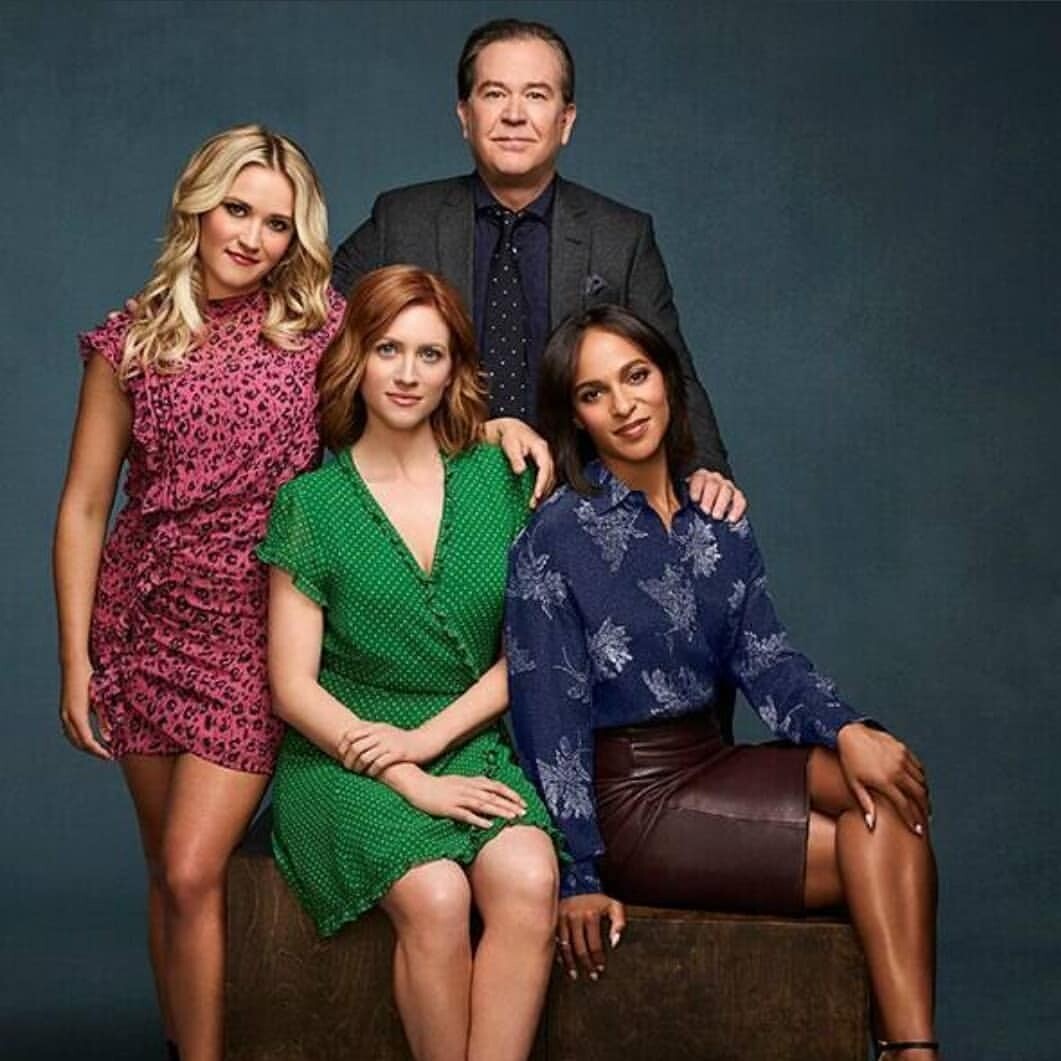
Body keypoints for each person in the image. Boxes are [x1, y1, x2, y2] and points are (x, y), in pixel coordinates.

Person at [505, 305, 939, 1061]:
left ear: (668, 380)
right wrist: (577, 871)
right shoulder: (556, 535)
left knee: (886, 790)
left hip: (711, 760)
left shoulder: (717, 517)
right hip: (632, 799)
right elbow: (549, 717)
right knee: (882, 840)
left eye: (636, 376)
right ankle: (914, 1050)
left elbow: (766, 658)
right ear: (574, 416)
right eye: (595, 393)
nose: (625, 404)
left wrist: (848, 730)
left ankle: (909, 1050)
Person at [53, 124, 344, 1061]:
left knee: (191, 868)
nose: (253, 237)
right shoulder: (131, 339)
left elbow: (412, 393)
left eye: (276, 222)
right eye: (236, 210)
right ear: (196, 207)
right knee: (165, 871)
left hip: (254, 631)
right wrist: (76, 658)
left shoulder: (320, 330)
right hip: (141, 624)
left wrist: (499, 427)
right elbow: (86, 504)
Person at [257, 265, 562, 1061]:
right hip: (343, 756)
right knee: (435, 891)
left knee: (529, 877)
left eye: (430, 354)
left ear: (455, 368)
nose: (406, 373)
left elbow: (529, 653)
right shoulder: (310, 504)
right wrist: (407, 775)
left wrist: (428, 742)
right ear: (355, 356)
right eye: (388, 349)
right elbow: (291, 688)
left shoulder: (500, 479)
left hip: (465, 734)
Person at [332, 17, 746, 523]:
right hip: (427, 506)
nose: (513, 115)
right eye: (494, 94)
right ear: (464, 115)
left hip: (581, 511)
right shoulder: (402, 219)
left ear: (565, 120)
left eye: (535, 95)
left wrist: (706, 468)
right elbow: (311, 327)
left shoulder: (621, 236)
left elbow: (672, 370)